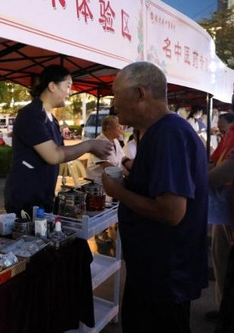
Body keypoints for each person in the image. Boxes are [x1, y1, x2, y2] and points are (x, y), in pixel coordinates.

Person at [102, 61, 208, 332]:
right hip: (153, 271)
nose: (114, 104)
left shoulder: (169, 134)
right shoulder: (158, 132)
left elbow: (171, 212)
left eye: (117, 94)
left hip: (164, 275)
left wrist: (118, 192)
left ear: (140, 93)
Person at [4, 65, 112, 217]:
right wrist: (90, 144)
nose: (70, 92)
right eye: (67, 86)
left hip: (43, 195)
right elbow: (54, 155)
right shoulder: (31, 114)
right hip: (25, 198)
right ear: (52, 86)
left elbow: (62, 153)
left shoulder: (51, 119)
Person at [207, 112, 234, 321]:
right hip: (223, 208)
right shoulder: (231, 133)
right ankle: (223, 306)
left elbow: (224, 171)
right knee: (221, 259)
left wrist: (199, 180)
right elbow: (215, 160)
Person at [86, 115, 125, 183]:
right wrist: (125, 173)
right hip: (98, 183)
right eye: (118, 126)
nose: (121, 128)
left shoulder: (115, 141)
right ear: (109, 128)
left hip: (113, 181)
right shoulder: (99, 143)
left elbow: (123, 158)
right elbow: (106, 166)